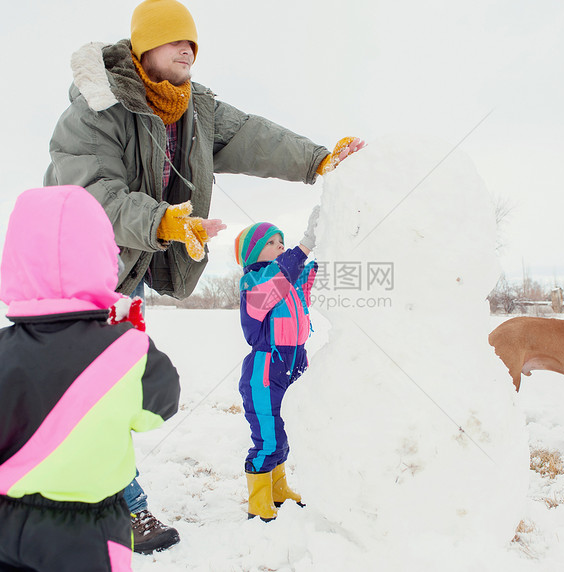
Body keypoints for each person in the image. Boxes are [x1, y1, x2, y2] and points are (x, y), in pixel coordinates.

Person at [43, 0, 364, 549]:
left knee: (109, 393)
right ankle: (116, 507)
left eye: (191, 40)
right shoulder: (97, 111)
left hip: (126, 272)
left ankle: (99, 498)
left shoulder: (196, 110)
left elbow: (257, 138)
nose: (187, 48)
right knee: (86, 394)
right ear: (143, 49)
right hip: (72, 273)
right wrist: (161, 220)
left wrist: (317, 161)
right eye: (172, 40)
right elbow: (90, 196)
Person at [0, 185, 181, 570]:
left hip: (2, 524)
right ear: (103, 259)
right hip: (90, 529)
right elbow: (159, 408)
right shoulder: (125, 350)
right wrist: (136, 339)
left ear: (14, 262)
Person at [234, 207, 320, 521]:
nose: (280, 245)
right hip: (265, 371)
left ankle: (278, 488)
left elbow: (308, 276)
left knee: (286, 431)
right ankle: (258, 501)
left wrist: (332, 239)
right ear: (254, 252)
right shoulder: (255, 283)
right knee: (268, 436)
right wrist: (305, 244)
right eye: (272, 242)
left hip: (295, 363)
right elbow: (281, 275)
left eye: (281, 242)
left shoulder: (288, 281)